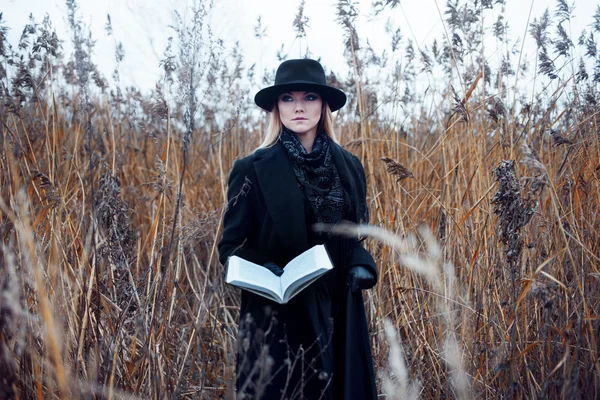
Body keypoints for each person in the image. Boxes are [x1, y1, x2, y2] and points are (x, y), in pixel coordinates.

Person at [218, 58, 378, 400]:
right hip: (280, 314)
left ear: (323, 106)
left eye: (309, 98)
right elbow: (230, 248)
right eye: (288, 98)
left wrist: (362, 263)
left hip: (340, 308)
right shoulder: (251, 168)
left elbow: (355, 234)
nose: (299, 107)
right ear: (277, 107)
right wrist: (269, 271)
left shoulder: (349, 165)